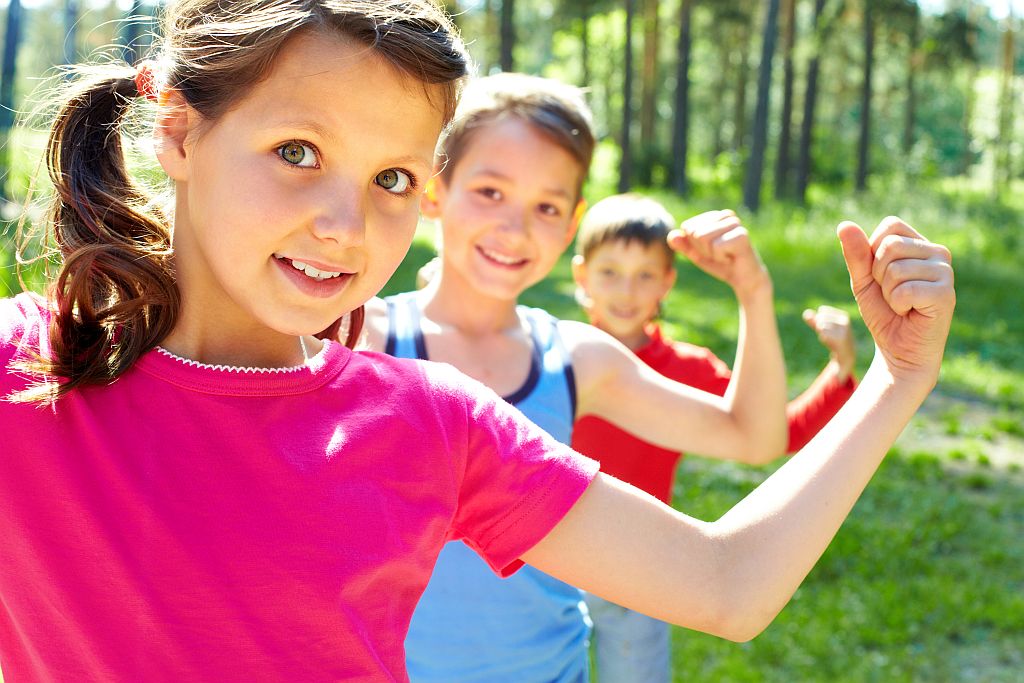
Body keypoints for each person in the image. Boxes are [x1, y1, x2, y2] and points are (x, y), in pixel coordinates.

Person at [0, 2, 955, 682]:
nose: (346, 224)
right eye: (298, 152)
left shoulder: (432, 422)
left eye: (393, 179)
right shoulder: (24, 370)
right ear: (177, 131)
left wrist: (897, 378)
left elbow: (728, 584)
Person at [360, 74, 951, 683]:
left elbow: (754, 435)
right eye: (490, 191)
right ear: (435, 188)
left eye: (547, 207)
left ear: (572, 222)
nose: (515, 227)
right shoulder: (363, 340)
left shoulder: (576, 357)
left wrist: (753, 291)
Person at [570, 193, 858, 683]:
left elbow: (777, 432)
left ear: (668, 281)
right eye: (610, 272)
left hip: (638, 569)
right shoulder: (551, 355)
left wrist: (840, 369)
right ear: (581, 276)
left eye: (645, 275)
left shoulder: (689, 369)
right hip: (543, 565)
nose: (626, 290)